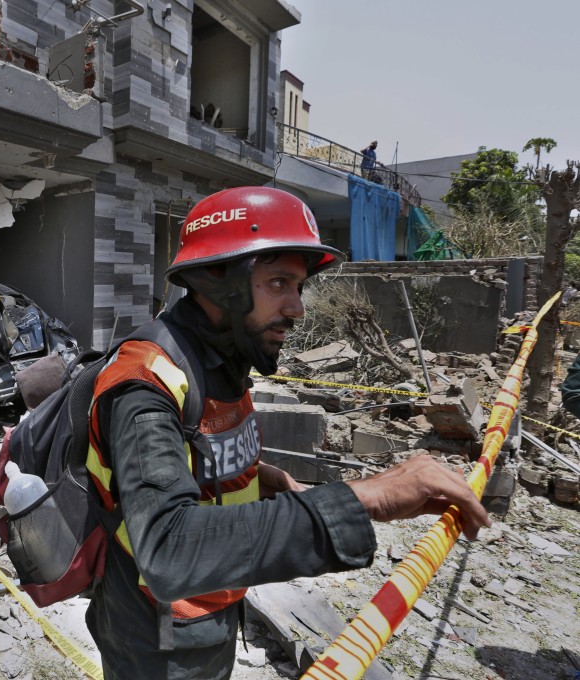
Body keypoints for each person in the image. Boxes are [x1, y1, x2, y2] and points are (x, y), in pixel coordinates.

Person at [84, 187, 490, 680]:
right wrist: (367, 497)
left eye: (299, 287)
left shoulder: (222, 357)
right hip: (155, 629)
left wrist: (251, 476)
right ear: (220, 280)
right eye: (279, 282)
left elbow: (193, 454)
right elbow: (169, 549)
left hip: (213, 602)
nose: (297, 308)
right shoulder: (145, 383)